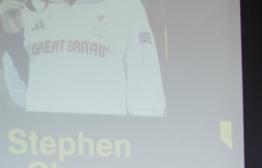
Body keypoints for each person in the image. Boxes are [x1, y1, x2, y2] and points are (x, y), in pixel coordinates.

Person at [1, 0, 165, 116]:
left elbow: (147, 93)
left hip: (105, 146)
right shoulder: (25, 9)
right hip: (47, 145)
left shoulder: (126, 6)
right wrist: (14, 37)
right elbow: (21, 96)